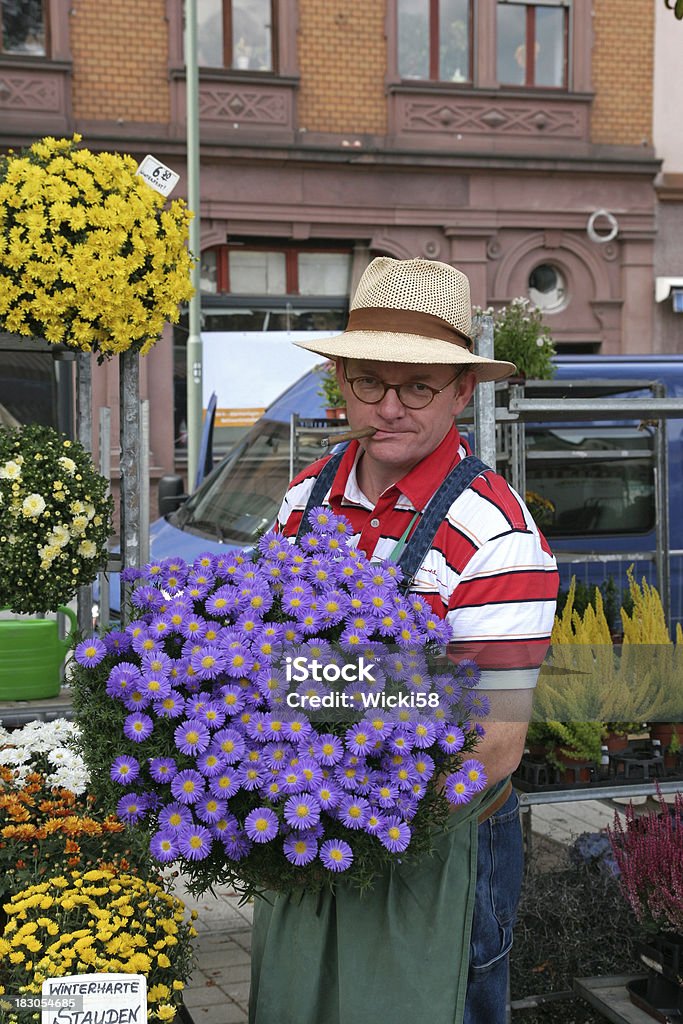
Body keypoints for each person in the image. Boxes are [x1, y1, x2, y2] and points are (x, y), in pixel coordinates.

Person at [248, 257, 559, 1024]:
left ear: (462, 390)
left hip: (434, 844)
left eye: (416, 386)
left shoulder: (495, 536)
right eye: (366, 381)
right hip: (308, 822)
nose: (387, 408)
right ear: (341, 379)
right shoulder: (305, 496)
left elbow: (493, 743)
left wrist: (354, 817)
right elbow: (255, 647)